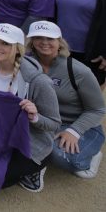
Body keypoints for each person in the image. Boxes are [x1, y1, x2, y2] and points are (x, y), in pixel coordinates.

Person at [0, 23, 60, 192]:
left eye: (5, 43)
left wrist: (34, 116)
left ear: (18, 47)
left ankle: (38, 166)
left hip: (24, 140)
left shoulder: (38, 81)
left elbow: (54, 123)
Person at [26, 21, 105, 178]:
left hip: (76, 125)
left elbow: (97, 109)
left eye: (50, 38)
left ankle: (90, 155)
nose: (44, 42)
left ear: (60, 42)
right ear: (32, 42)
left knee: (59, 156)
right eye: (39, 37)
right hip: (42, 121)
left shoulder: (79, 70)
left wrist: (73, 131)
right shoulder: (26, 63)